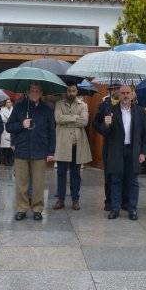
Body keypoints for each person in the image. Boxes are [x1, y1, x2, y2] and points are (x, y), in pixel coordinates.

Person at [6, 83, 55, 221]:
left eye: (37, 91)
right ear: (27, 92)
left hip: (40, 150)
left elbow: (52, 131)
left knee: (38, 183)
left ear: (41, 93)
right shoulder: (19, 106)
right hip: (22, 149)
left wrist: (51, 151)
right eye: (32, 90)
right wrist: (22, 124)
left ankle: (37, 209)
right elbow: (9, 126)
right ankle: (22, 208)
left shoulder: (47, 109)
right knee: (21, 182)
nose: (35, 93)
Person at [99, 85, 146, 221]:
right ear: (118, 95)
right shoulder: (111, 111)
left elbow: (145, 135)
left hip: (134, 151)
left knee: (133, 181)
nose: (125, 95)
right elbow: (104, 132)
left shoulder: (140, 111)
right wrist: (107, 124)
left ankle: (132, 209)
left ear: (132, 95)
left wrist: (143, 152)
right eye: (123, 93)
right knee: (116, 180)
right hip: (116, 151)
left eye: (128, 93)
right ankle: (115, 209)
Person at [53, 82, 92, 211]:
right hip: (63, 143)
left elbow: (84, 122)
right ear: (66, 91)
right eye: (69, 90)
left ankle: (75, 200)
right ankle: (60, 200)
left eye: (73, 90)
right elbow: (58, 119)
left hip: (77, 144)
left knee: (76, 174)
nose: (71, 93)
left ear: (77, 92)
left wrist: (67, 119)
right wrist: (76, 118)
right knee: (61, 173)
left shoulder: (83, 105)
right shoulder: (59, 104)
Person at [92, 82, 122, 211]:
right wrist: (104, 127)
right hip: (109, 144)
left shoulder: (128, 104)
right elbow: (95, 123)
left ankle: (122, 200)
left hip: (124, 144)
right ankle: (109, 201)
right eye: (113, 89)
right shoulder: (105, 105)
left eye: (117, 89)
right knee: (109, 174)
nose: (115, 91)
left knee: (123, 174)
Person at [0, 99, 14, 166]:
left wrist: (8, 119)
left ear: (11, 103)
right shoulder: (2, 109)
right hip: (5, 129)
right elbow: (2, 118)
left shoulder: (14, 109)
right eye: (7, 102)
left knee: (11, 146)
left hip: (12, 129)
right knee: (5, 147)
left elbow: (15, 118)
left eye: (9, 102)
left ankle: (11, 161)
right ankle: (5, 161)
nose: (8, 103)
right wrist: (9, 119)